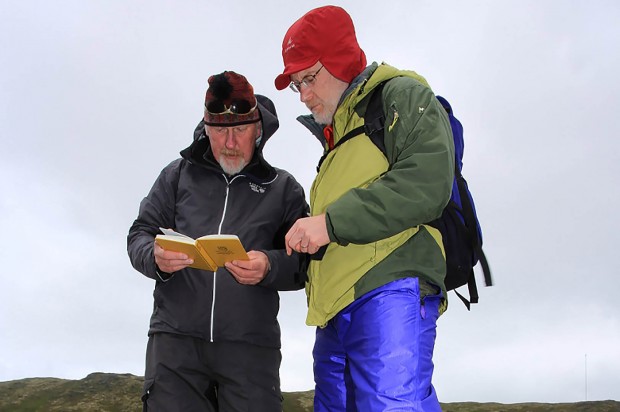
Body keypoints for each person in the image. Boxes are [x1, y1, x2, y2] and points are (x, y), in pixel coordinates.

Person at [275, 6, 455, 411]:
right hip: (334, 309)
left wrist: (331, 223)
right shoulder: (336, 136)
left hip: (389, 289)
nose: (303, 94)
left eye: (309, 77)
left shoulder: (401, 94)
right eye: (296, 84)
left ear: (338, 59)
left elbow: (427, 180)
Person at [127, 70, 308, 411]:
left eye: (239, 130)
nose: (229, 143)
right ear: (206, 129)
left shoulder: (283, 189)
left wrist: (269, 266)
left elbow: (305, 262)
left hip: (250, 350)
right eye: (219, 131)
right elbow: (139, 233)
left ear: (258, 130)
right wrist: (154, 256)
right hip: (175, 348)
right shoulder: (176, 175)